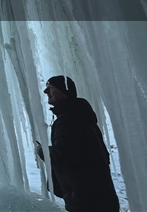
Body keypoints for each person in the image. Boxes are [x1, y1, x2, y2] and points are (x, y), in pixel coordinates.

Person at [35, 75, 120, 212]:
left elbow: (65, 156)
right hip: (96, 196)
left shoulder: (68, 120)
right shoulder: (79, 115)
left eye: (51, 88)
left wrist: (41, 150)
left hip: (87, 200)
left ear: (64, 91)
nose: (46, 92)